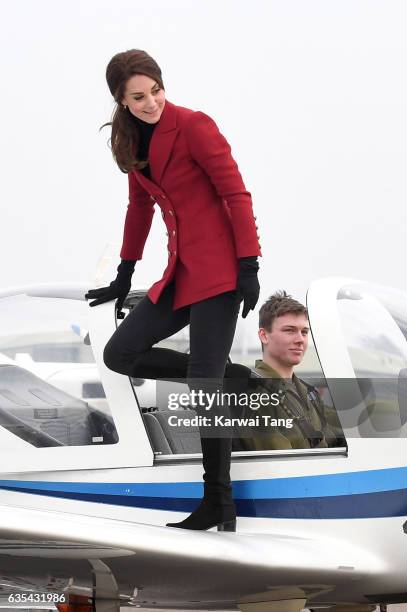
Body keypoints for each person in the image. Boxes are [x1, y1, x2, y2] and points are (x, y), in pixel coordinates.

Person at [85, 49, 261, 531]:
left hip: (222, 270)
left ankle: (217, 502)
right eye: (138, 97)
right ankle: (225, 375)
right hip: (181, 270)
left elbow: (235, 193)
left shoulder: (195, 125)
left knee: (206, 388)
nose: (151, 102)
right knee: (120, 353)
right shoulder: (130, 141)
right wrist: (125, 272)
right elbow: (138, 208)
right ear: (120, 101)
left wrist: (249, 262)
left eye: (156, 91)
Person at [239, 291, 344, 451]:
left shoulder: (307, 392)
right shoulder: (256, 398)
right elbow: (280, 467)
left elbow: (344, 429)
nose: (300, 339)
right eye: (289, 330)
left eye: (304, 332)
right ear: (264, 335)